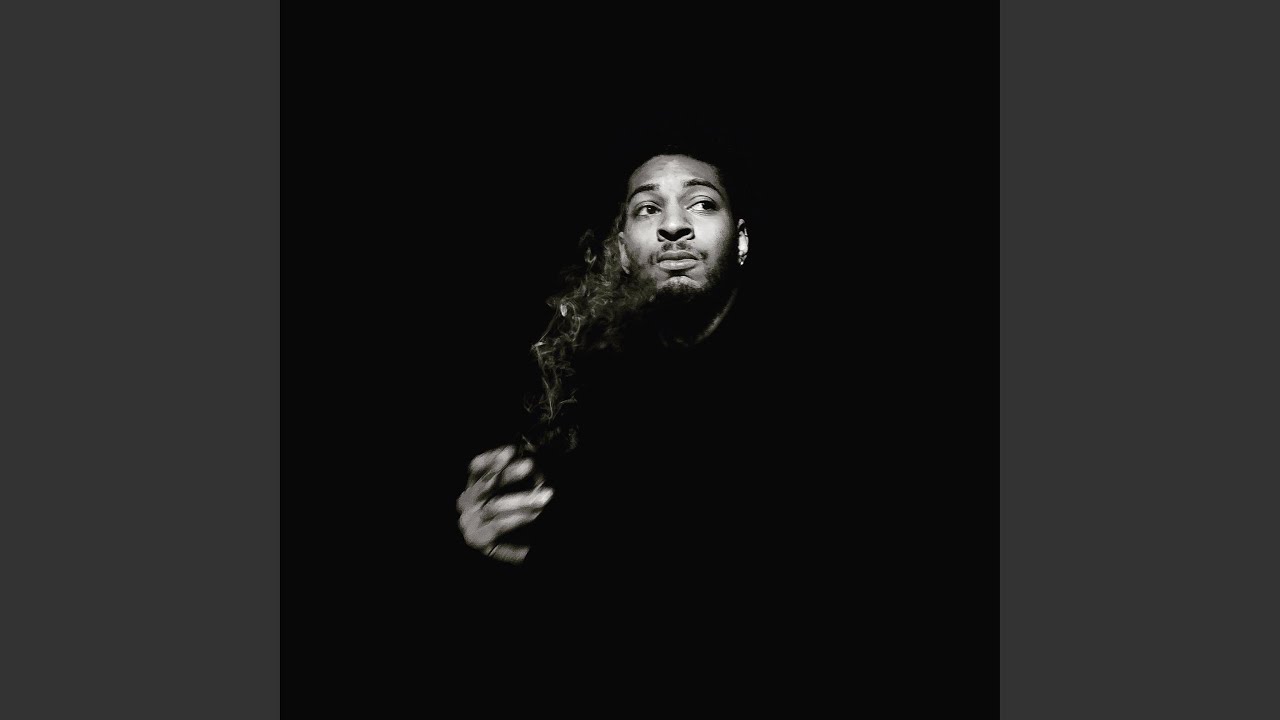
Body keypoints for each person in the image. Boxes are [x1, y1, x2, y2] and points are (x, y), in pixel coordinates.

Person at [454, 142, 798, 607]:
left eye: (701, 203)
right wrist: (491, 527)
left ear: (741, 242)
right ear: (621, 252)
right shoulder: (591, 375)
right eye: (648, 208)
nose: (673, 225)